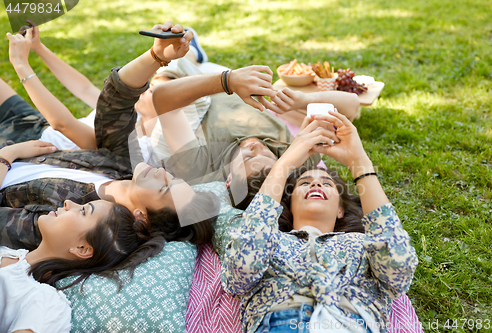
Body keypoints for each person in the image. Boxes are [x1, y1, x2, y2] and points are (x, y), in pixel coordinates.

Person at [0, 22, 219, 251]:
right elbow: (116, 102)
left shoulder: (76, 221)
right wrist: (156, 55)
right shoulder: (121, 167)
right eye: (172, 178)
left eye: (164, 188)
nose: (163, 172)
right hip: (25, 131)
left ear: (141, 217)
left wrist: (8, 155)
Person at [221, 111, 418, 332]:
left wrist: (360, 163)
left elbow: (399, 272)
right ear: (289, 205)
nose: (316, 185)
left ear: (340, 211)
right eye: (304, 183)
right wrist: (285, 164)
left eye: (327, 183)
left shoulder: (363, 244)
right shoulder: (270, 240)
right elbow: (238, 275)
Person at [0, 142, 165, 332]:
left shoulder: (44, 304)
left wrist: (7, 155)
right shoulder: (10, 254)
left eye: (84, 211)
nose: (69, 202)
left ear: (82, 249)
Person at [151, 65, 360, 209]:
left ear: (229, 180)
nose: (255, 146)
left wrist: (228, 80)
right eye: (268, 155)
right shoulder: (297, 154)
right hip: (245, 89)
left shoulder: (199, 167)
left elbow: (162, 97)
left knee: (162, 78)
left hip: (202, 85)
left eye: (248, 158)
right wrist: (305, 100)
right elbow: (352, 105)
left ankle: (193, 53)